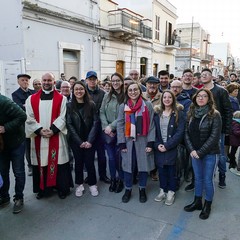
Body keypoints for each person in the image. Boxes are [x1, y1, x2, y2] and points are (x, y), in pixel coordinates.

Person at [25, 72, 73, 199]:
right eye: (44, 80)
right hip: (39, 138)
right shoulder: (31, 99)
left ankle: (61, 188)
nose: (46, 83)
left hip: (56, 136)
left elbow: (63, 116)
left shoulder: (62, 98)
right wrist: (39, 130)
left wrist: (53, 130)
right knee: (41, 163)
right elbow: (29, 118)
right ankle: (44, 190)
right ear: (41, 81)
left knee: (59, 163)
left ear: (54, 81)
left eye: (49, 80)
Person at [184, 88, 222, 220]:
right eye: (199, 96)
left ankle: (207, 205)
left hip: (210, 153)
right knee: (198, 178)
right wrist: (192, 150)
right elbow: (186, 133)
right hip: (195, 153)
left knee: (207, 180)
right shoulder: (191, 112)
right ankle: (197, 201)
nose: (201, 98)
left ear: (209, 99)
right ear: (195, 98)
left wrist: (200, 152)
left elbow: (214, 137)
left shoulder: (214, 114)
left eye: (204, 96)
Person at [117, 82, 155, 203]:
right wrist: (121, 142)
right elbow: (120, 124)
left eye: (135, 90)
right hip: (128, 141)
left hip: (143, 141)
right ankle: (128, 189)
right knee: (128, 166)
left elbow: (151, 125)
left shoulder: (147, 105)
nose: (133, 92)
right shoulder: (123, 106)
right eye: (130, 90)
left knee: (143, 166)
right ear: (127, 92)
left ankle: (142, 189)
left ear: (140, 91)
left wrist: (150, 143)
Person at [67, 81, 99, 197]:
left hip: (90, 140)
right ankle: (79, 184)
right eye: (76, 89)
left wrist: (89, 141)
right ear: (73, 91)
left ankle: (92, 184)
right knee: (78, 162)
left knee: (90, 162)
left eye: (81, 89)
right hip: (76, 141)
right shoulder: (69, 106)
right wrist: (79, 142)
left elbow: (96, 123)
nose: (79, 91)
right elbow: (69, 124)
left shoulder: (91, 104)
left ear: (85, 90)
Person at [201, 68, 232, 189]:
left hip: (219, 128)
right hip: (204, 129)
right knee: (207, 152)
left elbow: (228, 110)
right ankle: (209, 176)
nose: (203, 76)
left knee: (220, 154)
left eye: (206, 74)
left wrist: (227, 128)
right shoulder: (200, 91)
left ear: (212, 76)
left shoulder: (221, 91)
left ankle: (222, 175)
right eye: (202, 74)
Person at [153, 90, 185, 206]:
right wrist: (157, 145)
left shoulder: (179, 113)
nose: (167, 99)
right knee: (161, 170)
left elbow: (180, 132)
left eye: (169, 97)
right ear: (161, 99)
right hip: (160, 147)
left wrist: (167, 146)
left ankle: (171, 191)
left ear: (173, 99)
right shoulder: (157, 113)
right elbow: (154, 131)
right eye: (164, 97)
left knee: (172, 171)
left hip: (172, 147)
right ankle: (162, 189)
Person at [0, 94, 27, 213]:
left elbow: (22, 115)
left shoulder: (4, 101)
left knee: (18, 172)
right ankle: (4, 197)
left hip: (17, 142)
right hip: (2, 146)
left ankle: (19, 198)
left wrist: (5, 127)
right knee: (3, 172)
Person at [100, 73, 125, 193]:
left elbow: (124, 115)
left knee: (119, 157)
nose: (115, 83)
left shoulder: (126, 97)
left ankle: (120, 179)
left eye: (117, 80)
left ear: (121, 81)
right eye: (113, 81)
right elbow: (101, 112)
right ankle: (113, 179)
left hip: (121, 132)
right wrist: (106, 127)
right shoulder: (107, 96)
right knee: (111, 158)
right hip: (108, 133)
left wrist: (112, 126)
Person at [86, 71, 110, 183]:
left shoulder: (103, 93)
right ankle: (90, 175)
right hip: (86, 128)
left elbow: (104, 110)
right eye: (90, 79)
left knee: (101, 155)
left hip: (100, 128)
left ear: (97, 80)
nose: (92, 81)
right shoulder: (83, 91)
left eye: (94, 79)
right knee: (89, 155)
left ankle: (103, 175)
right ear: (86, 80)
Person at [12, 73, 36, 176]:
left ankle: (37, 164)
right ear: (18, 81)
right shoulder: (15, 94)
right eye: (23, 80)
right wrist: (28, 106)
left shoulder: (33, 92)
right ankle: (30, 166)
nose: (25, 82)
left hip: (35, 121)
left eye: (27, 80)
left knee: (36, 143)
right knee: (27, 145)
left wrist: (26, 105)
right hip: (24, 124)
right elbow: (19, 108)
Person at [142, 76, 162, 181]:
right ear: (146, 85)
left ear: (158, 85)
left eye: (154, 84)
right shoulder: (141, 95)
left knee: (155, 149)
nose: (152, 86)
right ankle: (144, 169)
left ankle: (154, 171)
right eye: (150, 83)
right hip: (144, 127)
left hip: (158, 127)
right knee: (145, 149)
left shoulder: (163, 97)